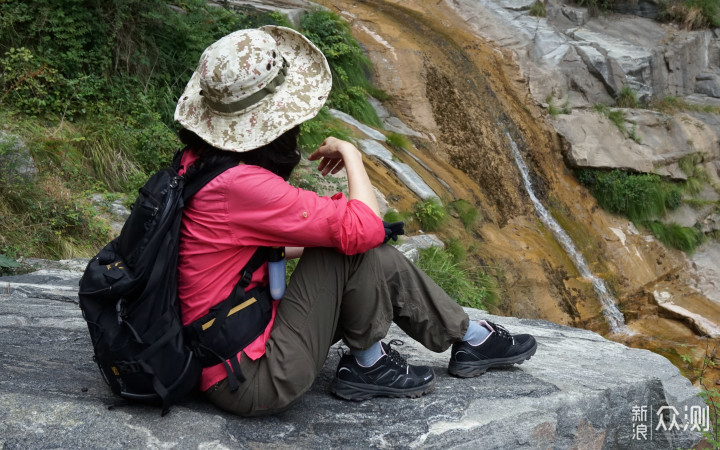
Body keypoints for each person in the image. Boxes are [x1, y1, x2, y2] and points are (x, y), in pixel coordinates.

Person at [174, 26, 537, 416]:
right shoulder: (241, 185)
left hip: (233, 342)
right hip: (251, 378)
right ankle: (373, 361)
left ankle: (465, 337)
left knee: (349, 242)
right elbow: (362, 226)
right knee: (351, 242)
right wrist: (352, 155)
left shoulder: (201, 165)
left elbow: (241, 253)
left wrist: (322, 238)